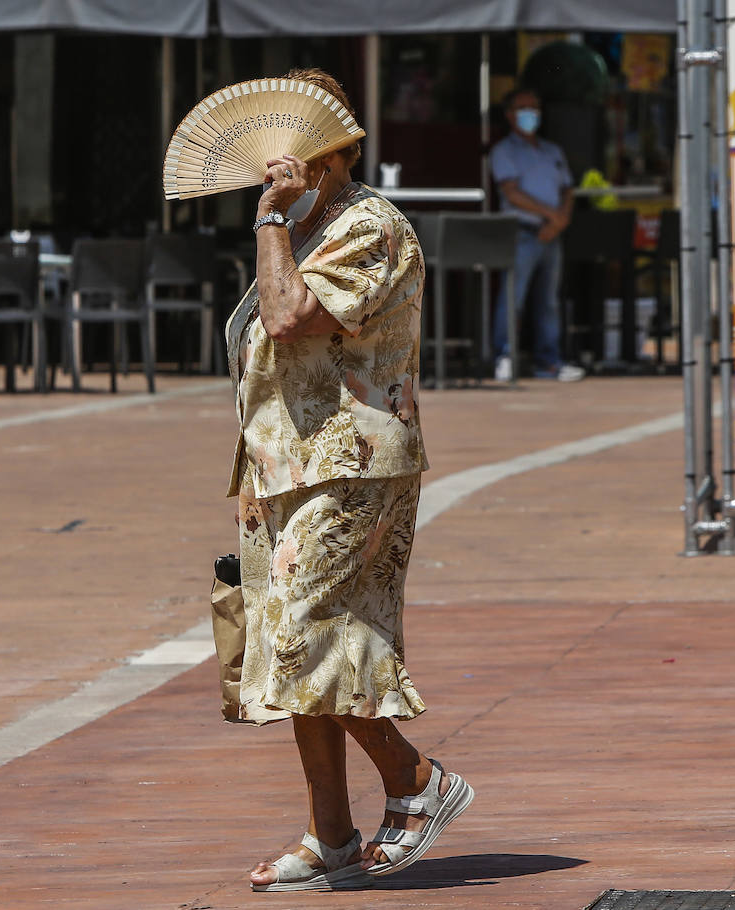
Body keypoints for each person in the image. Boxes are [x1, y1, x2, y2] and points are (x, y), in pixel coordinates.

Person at [225, 67, 473, 892]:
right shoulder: (308, 227)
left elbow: (291, 317)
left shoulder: (368, 226)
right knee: (292, 642)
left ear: (336, 153)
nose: (276, 175)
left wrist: (267, 221)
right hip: (286, 464)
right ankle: (331, 836)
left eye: (291, 161)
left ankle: (415, 780)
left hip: (353, 461)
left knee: (307, 628)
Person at [490, 88, 585, 382]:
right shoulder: (504, 151)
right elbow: (512, 193)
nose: (532, 114)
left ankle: (550, 362)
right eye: (524, 108)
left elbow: (568, 189)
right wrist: (551, 215)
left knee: (549, 302)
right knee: (513, 298)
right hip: (522, 232)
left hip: (552, 234)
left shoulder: (552, 151)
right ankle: (504, 356)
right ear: (510, 115)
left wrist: (560, 219)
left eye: (536, 108)